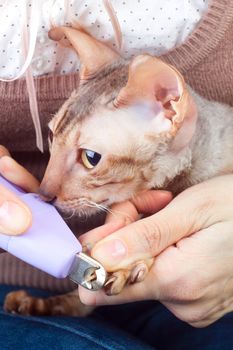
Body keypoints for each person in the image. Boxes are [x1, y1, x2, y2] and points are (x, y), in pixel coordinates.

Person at [1, 0, 233, 349]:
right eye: (55, 138)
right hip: (29, 274)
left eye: (90, 157)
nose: (47, 188)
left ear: (167, 108)